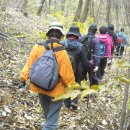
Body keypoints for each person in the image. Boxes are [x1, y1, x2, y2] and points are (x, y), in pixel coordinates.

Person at [18, 22, 75, 130]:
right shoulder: (62, 52)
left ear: (47, 34)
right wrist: (72, 91)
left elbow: (29, 65)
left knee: (48, 115)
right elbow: (67, 76)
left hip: (40, 86)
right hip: (56, 91)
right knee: (51, 122)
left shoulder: (38, 47)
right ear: (61, 36)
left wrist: (22, 79)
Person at [61, 25, 90, 110]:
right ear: (77, 35)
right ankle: (74, 101)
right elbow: (85, 62)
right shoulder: (80, 46)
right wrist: (89, 66)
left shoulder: (62, 43)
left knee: (66, 84)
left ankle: (66, 103)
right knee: (76, 84)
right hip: (76, 70)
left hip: (64, 70)